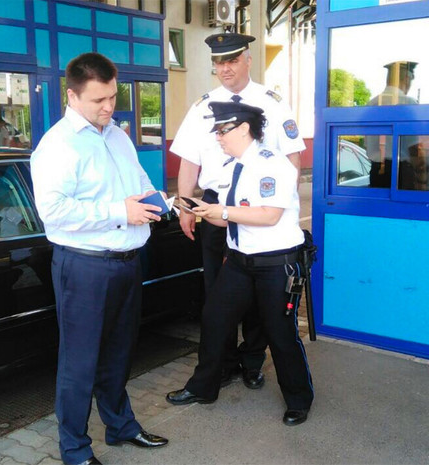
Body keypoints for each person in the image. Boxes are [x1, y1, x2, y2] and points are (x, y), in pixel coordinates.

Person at [30, 52, 168, 465]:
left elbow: (138, 181)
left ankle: (120, 426)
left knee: (119, 353)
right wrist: (118, 211)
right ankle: (74, 449)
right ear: (72, 97)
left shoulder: (117, 136)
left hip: (127, 260)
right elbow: (53, 212)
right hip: (84, 266)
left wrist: (159, 201)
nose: (109, 107)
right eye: (98, 100)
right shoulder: (58, 145)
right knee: (80, 363)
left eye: (112, 96)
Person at [170, 32, 305, 390]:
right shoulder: (202, 107)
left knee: (262, 296)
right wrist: (185, 207)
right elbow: (189, 161)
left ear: (248, 60)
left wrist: (284, 207)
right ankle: (223, 364)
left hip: (257, 209)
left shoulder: (272, 103)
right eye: (218, 62)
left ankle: (252, 360)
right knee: (219, 292)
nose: (225, 68)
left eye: (231, 60)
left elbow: (292, 158)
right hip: (214, 206)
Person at [166, 101, 314, 426]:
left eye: (223, 130)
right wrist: (196, 208)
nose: (218, 137)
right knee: (214, 319)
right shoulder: (234, 166)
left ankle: (298, 399)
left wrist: (222, 212)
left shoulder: (274, 165)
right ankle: (203, 387)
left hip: (275, 264)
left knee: (280, 332)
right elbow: (227, 217)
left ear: (244, 129)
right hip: (239, 261)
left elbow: (269, 215)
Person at [365, 61, 419, 188]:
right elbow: (414, 146)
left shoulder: (371, 104)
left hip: (376, 171)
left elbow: (367, 143)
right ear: (407, 79)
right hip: (401, 173)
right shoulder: (408, 103)